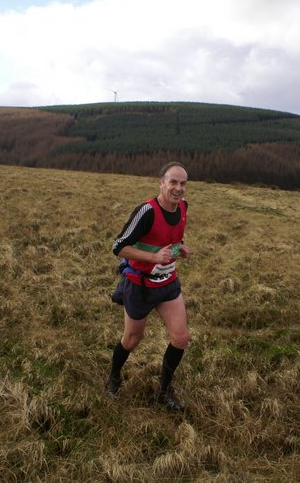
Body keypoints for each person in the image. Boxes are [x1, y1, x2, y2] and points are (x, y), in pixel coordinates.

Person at [107, 161, 192, 411]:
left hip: (167, 282)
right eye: (173, 182)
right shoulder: (146, 212)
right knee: (132, 340)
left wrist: (179, 247)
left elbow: (169, 237)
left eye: (183, 183)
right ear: (161, 183)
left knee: (181, 338)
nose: (178, 188)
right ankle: (114, 376)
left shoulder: (183, 207)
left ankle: (163, 392)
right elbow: (118, 246)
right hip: (139, 285)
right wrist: (154, 257)